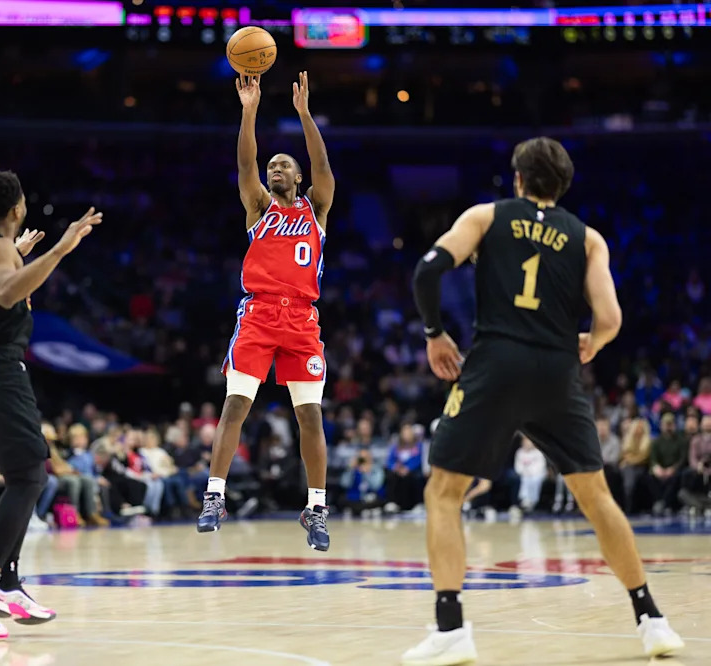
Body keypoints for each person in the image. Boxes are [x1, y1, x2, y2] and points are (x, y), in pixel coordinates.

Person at [404, 137, 684, 663]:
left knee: (444, 491)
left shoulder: (486, 217)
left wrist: (435, 333)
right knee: (597, 498)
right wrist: (593, 344)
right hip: (557, 372)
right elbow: (611, 319)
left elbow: (428, 271)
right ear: (563, 185)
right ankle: (652, 620)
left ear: (517, 179)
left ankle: (451, 629)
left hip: (496, 364)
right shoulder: (588, 239)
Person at [0, 170, 102, 641]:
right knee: (31, 473)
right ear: (17, 208)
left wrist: (20, 256)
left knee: (27, 471)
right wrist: (59, 249)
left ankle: (8, 583)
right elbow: (4, 291)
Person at [196, 72, 335, 551]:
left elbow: (322, 164)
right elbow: (245, 161)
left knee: (310, 416)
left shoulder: (316, 208)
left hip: (302, 319)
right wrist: (249, 110)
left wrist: (303, 114)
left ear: (298, 177)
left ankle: (316, 505)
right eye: (271, 165)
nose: (274, 169)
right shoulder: (258, 207)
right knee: (235, 404)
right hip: (257, 314)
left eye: (283, 166)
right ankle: (215, 495)